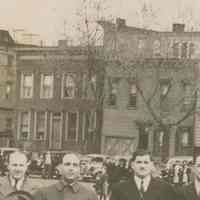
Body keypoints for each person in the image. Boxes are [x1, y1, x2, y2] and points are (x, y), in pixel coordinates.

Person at [110, 149, 178, 200]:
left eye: (146, 162)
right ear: (132, 165)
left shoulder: (165, 188)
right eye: (139, 162)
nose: (142, 166)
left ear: (151, 165)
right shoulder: (119, 189)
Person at [34, 152, 98, 200]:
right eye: (67, 164)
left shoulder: (90, 195)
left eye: (75, 165)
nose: (71, 168)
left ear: (79, 169)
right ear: (61, 167)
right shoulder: (43, 194)